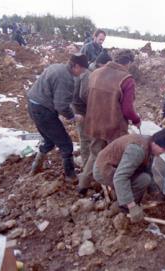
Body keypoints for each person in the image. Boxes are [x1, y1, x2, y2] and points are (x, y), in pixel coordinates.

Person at [78, 49, 141, 195]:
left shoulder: (96, 72)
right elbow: (127, 109)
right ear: (129, 62)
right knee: (115, 157)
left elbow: (86, 95)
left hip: (95, 122)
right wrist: (136, 120)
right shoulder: (127, 79)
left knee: (95, 154)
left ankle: (82, 186)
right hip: (114, 126)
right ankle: (117, 191)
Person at [27, 53, 89, 181]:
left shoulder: (56, 67)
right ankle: (70, 176)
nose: (82, 73)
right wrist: (73, 116)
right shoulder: (66, 79)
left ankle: (35, 167)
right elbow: (61, 105)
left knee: (49, 141)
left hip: (33, 105)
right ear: (76, 66)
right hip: (43, 111)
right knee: (66, 145)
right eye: (82, 69)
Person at [93, 128, 165, 223]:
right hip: (103, 170)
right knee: (144, 180)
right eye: (164, 149)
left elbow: (146, 169)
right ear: (155, 143)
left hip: (114, 167)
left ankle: (120, 198)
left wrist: (155, 192)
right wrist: (132, 206)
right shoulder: (138, 150)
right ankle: (123, 207)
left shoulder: (148, 143)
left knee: (145, 177)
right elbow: (120, 177)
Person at [72, 51, 112, 168]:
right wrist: (97, 106)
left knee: (88, 138)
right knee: (86, 139)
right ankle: (86, 167)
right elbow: (84, 94)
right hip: (81, 111)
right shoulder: (89, 74)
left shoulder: (91, 71)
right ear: (101, 64)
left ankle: (89, 165)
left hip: (81, 109)